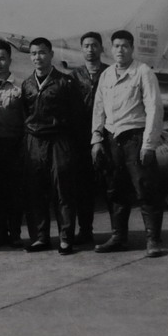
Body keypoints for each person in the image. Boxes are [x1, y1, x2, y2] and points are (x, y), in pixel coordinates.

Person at [91, 30, 165, 258]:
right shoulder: (106, 75)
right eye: (116, 46)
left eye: (125, 46)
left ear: (132, 49)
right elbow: (98, 109)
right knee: (115, 190)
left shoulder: (143, 72)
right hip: (112, 138)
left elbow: (154, 108)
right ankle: (118, 237)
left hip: (135, 138)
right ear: (111, 49)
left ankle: (153, 240)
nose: (120, 50)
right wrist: (96, 139)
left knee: (145, 188)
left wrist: (149, 144)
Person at [21, 37, 81, 255]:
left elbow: (77, 116)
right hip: (34, 141)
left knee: (62, 190)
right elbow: (25, 114)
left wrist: (69, 145)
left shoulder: (65, 82)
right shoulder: (27, 84)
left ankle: (66, 238)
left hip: (59, 141)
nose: (38, 57)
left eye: (42, 52)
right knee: (35, 191)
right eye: (33, 53)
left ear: (51, 54)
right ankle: (40, 238)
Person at [0, 39, 26, 248]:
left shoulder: (21, 86)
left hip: (14, 146)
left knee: (15, 192)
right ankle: (0, 232)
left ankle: (15, 232)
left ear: (9, 60)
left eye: (2, 58)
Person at [69, 32, 109, 245]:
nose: (90, 49)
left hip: (108, 135)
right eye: (86, 46)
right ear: (81, 49)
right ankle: (85, 231)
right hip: (82, 137)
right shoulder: (74, 77)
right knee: (83, 187)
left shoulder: (110, 73)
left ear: (101, 48)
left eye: (94, 45)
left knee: (112, 185)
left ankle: (118, 232)